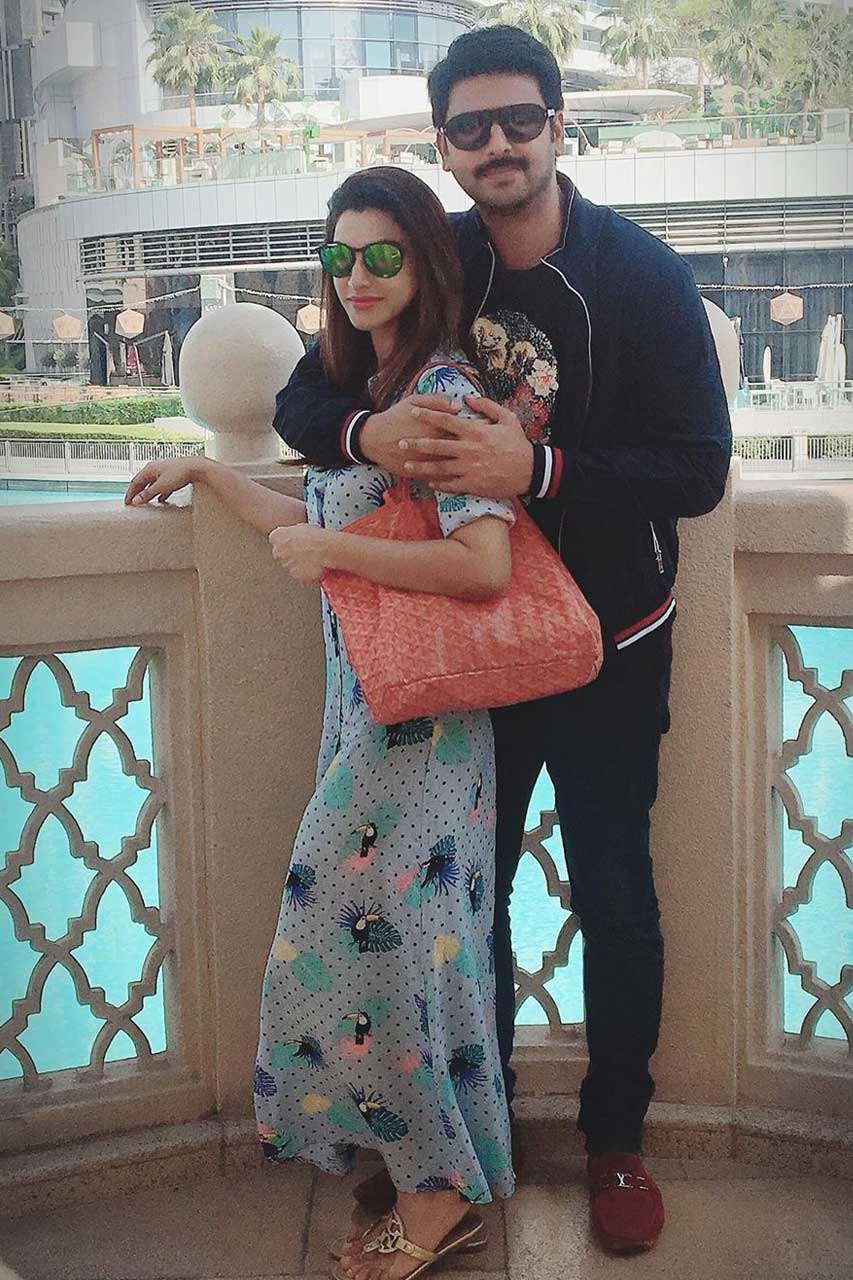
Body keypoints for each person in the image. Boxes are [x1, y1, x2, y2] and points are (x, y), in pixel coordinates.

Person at [272, 25, 732, 1256]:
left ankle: (616, 1136)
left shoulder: (639, 274)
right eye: (469, 127)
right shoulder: (438, 260)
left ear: (557, 125)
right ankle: (470, 1139)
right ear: (444, 145)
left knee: (613, 891)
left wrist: (541, 468)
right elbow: (306, 391)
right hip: (471, 647)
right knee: (458, 903)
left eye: (519, 119)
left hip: (610, 637)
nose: (498, 144)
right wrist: (363, 437)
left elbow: (698, 468)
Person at [123, 165, 517, 1280]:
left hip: (423, 736)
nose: (356, 275)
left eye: (381, 254)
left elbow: (483, 562)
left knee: (377, 958)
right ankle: (429, 1175)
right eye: (339, 256)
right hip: (369, 718)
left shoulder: (441, 391)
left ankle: (435, 1198)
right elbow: (319, 511)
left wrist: (332, 551)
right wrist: (210, 472)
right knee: (397, 959)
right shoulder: (372, 386)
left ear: (424, 262)